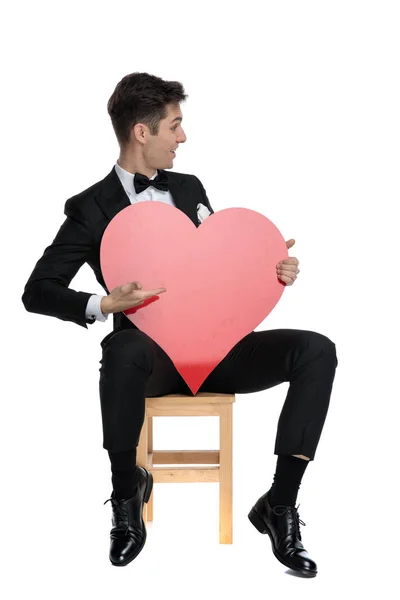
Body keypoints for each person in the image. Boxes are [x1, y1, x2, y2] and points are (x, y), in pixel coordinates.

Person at [21, 72, 338, 577]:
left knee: (317, 348)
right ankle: (127, 497)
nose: (183, 138)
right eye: (175, 125)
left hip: (219, 350)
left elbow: (211, 268)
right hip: (151, 361)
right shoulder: (89, 207)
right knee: (120, 349)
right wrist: (104, 303)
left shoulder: (189, 188)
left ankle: (279, 504)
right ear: (142, 132)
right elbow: (36, 291)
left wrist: (268, 268)